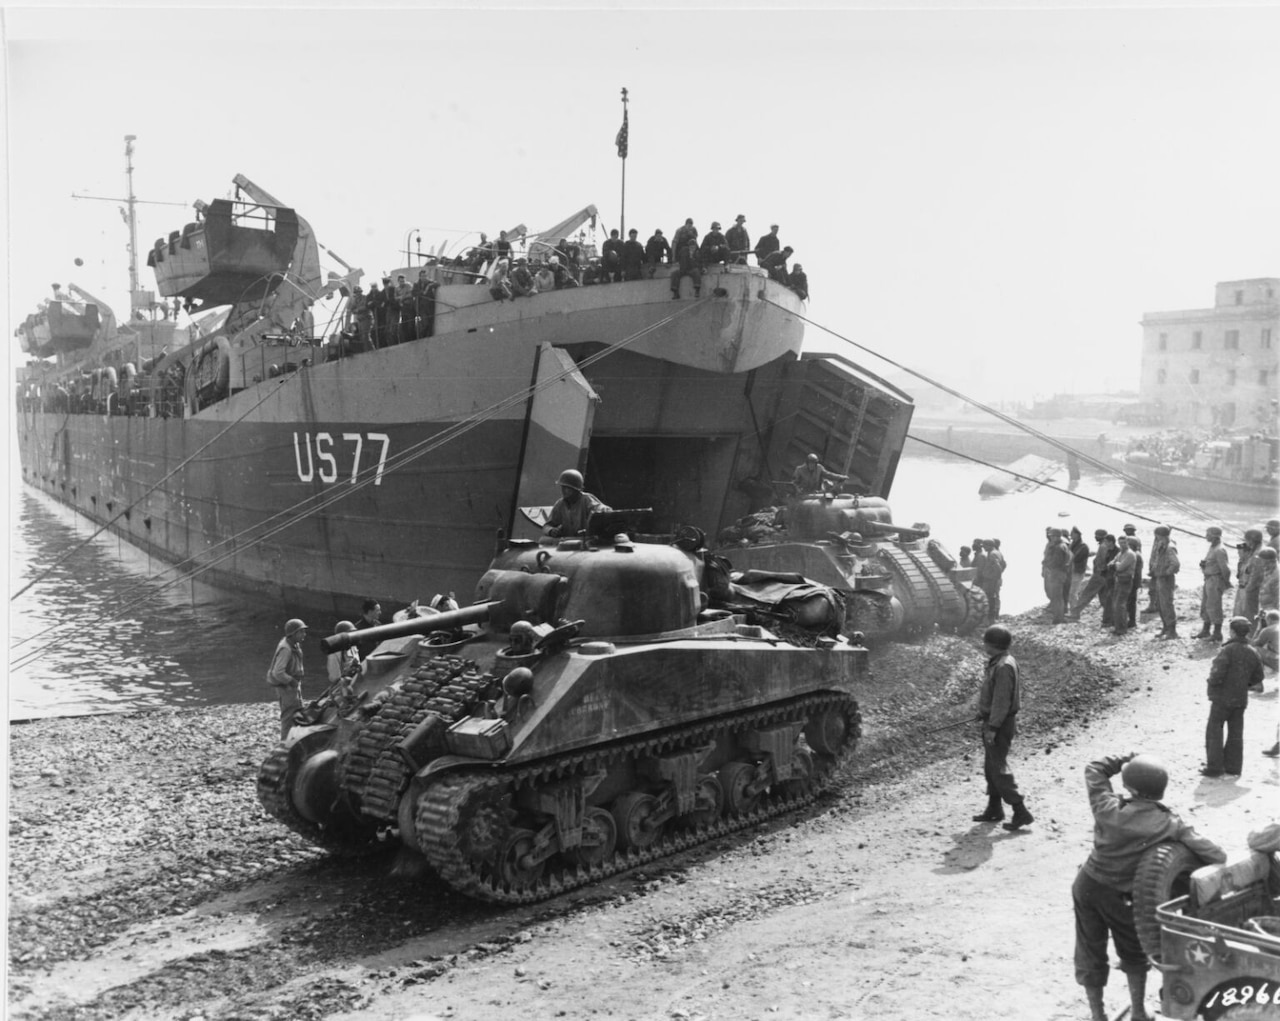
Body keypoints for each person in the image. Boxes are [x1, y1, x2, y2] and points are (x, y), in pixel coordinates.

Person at [1072, 752, 1225, 1021]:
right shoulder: (1170, 823)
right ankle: (1139, 1012)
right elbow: (1216, 855)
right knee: (1133, 950)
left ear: (1129, 788)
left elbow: (1094, 769)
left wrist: (1125, 759)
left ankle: (1097, 1015)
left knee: (1088, 948)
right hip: (1125, 896)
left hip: (1088, 886)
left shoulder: (1107, 808)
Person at [971, 625, 1034, 831]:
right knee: (991, 768)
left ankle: (1020, 810)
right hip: (995, 720)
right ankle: (994, 808)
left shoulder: (1003, 666)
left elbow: (1001, 701)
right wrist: (983, 712)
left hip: (999, 723)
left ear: (991, 645)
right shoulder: (1002, 662)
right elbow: (995, 697)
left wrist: (993, 726)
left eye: (986, 642)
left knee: (999, 769)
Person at [1202, 615, 1266, 778]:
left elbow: (1217, 674)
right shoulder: (1252, 652)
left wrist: (1213, 684)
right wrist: (1244, 685)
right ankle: (1233, 767)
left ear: (1232, 632)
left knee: (1215, 730)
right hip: (1240, 698)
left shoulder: (1227, 650)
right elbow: (1258, 677)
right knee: (1236, 733)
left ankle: (1214, 767)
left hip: (1222, 698)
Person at [266, 618, 309, 740]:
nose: (304, 634)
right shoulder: (286, 649)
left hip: (292, 685)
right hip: (287, 687)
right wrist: (291, 681)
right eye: (301, 632)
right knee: (289, 716)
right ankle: (285, 743)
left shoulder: (293, 644)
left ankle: (294, 740)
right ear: (293, 634)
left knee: (297, 710)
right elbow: (278, 672)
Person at [545, 468, 610, 539]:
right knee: (543, 540)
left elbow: (598, 507)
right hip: (567, 541)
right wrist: (551, 531)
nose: (564, 490)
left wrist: (603, 509)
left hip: (585, 539)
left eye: (567, 488)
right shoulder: (560, 504)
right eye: (563, 487)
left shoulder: (586, 499)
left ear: (576, 489)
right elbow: (547, 526)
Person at [1195, 525, 1232, 641]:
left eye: (1208, 534)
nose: (1206, 536)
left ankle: (1217, 633)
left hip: (1215, 580)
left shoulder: (1219, 550)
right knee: (1206, 604)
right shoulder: (1213, 547)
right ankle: (1205, 630)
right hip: (1208, 579)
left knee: (1214, 605)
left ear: (1214, 536)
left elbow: (1225, 569)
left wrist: (1225, 582)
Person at [1068, 529, 1111, 620]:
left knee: (1086, 594)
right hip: (1104, 575)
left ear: (1101, 537)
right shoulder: (1106, 545)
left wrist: (1099, 571)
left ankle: (1075, 613)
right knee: (1103, 597)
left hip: (1099, 574)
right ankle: (1108, 617)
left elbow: (1102, 561)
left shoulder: (1103, 546)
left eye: (1097, 536)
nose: (1095, 537)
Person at [1148, 525, 1181, 639]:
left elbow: (1175, 564)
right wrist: (1154, 570)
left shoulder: (1170, 547)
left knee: (1167, 604)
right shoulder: (1162, 545)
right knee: (1160, 604)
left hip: (1165, 579)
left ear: (1158, 535)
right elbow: (1158, 560)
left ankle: (1172, 631)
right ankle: (1165, 628)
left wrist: (1166, 572)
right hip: (1159, 578)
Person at [1108, 537, 1138, 637]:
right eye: (1120, 543)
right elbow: (1110, 564)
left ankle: (1121, 628)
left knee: (1120, 605)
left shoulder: (1130, 554)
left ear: (1128, 543)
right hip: (1119, 580)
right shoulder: (1121, 553)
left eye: (1124, 543)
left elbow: (1120, 568)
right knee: (1116, 604)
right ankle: (1118, 627)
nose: (1122, 545)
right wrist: (1115, 564)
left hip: (1125, 580)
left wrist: (1115, 564)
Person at [1041, 527, 1072, 625]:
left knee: (1057, 596)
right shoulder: (1062, 545)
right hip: (1059, 573)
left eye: (1053, 536)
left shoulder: (1059, 547)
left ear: (1057, 536)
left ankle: (1058, 618)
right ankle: (1060, 616)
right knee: (1058, 596)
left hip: (1057, 573)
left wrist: (1046, 563)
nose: (1052, 538)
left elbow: (1056, 562)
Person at [1233, 528, 1263, 617]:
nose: (1246, 543)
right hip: (1244, 588)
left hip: (1250, 590)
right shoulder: (1252, 552)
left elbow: (1255, 577)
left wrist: (1248, 591)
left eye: (1246, 540)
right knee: (1240, 614)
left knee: (1249, 615)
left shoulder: (1258, 555)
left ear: (1251, 541)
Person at [326, 620, 360, 693]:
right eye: (350, 633)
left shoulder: (353, 647)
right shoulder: (334, 653)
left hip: (356, 681)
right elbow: (335, 677)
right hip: (342, 687)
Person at [980, 539, 1004, 622]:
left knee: (990, 598)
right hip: (993, 579)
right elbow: (1004, 564)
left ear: (989, 545)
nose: (983, 548)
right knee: (992, 597)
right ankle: (992, 617)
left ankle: (991, 618)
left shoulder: (993, 554)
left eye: (985, 546)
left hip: (991, 580)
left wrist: (994, 577)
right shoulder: (997, 552)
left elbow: (997, 567)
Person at [1068, 526, 1089, 609]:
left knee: (1072, 593)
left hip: (1077, 572)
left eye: (1072, 533)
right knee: (1071, 592)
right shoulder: (1073, 544)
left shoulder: (1083, 546)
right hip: (1072, 571)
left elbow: (1074, 558)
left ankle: (1075, 611)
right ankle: (1073, 609)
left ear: (1077, 534)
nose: (1070, 535)